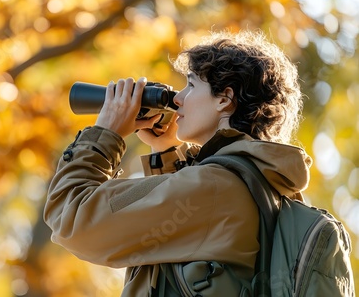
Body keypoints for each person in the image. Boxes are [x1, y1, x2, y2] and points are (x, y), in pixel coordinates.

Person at [43, 30, 312, 296]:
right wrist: (167, 152)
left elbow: (73, 221)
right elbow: (185, 239)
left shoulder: (215, 186)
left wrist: (106, 134)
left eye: (192, 85)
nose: (178, 99)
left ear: (224, 99)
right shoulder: (253, 185)